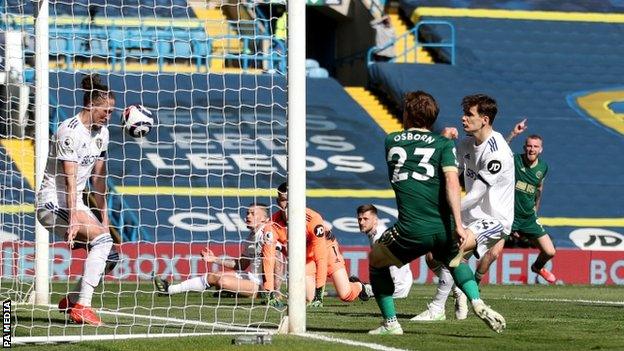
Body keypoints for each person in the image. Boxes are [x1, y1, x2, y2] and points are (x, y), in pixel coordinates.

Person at [368, 91, 506, 335]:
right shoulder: (443, 145)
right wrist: (458, 224)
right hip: (443, 225)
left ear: (408, 114)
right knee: (454, 260)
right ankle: (476, 301)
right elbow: (453, 183)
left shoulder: (392, 140)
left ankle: (390, 323)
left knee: (377, 260)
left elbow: (416, 152)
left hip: (411, 228)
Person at [411, 94, 515, 322]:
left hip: (495, 219)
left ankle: (437, 308)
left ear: (485, 119)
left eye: (469, 114)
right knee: (431, 256)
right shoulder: (466, 144)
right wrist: (443, 143)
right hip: (467, 214)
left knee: (457, 251)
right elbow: (447, 175)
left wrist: (444, 210)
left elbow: (477, 195)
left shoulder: (497, 152)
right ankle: (460, 287)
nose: (463, 118)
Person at [36, 74, 116, 326]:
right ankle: (82, 306)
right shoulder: (68, 131)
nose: (108, 116)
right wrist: (73, 219)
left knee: (110, 255)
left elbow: (98, 181)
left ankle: (72, 299)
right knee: (102, 242)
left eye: (112, 112)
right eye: (105, 111)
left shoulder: (102, 133)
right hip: (53, 203)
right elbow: (70, 180)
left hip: (76, 204)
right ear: (91, 106)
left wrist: (104, 219)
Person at [153, 203, 285, 307]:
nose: (248, 216)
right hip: (252, 277)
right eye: (247, 213)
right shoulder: (250, 237)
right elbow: (241, 265)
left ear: (265, 219)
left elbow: (278, 260)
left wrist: (275, 291)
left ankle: (262, 294)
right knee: (212, 276)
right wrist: (214, 259)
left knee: (222, 281)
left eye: (253, 213)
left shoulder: (268, 233)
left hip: (265, 285)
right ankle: (169, 289)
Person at [272, 182, 372, 307]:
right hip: (306, 258)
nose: (288, 204)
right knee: (308, 299)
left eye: (291, 200)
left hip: (326, 250)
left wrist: (320, 295)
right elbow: (269, 255)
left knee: (346, 295)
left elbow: (321, 257)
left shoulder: (313, 219)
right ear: (277, 201)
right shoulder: (273, 224)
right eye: (283, 200)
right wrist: (269, 291)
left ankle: (360, 286)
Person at [499, 120, 556, 283]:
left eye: (535, 146)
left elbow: (539, 190)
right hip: (508, 216)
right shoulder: (514, 160)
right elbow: (500, 149)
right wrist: (513, 133)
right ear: (525, 147)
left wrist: (535, 211)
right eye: (529, 146)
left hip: (528, 218)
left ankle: (537, 267)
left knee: (550, 251)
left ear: (541, 149)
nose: (532, 149)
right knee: (492, 254)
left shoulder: (543, 168)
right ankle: (473, 285)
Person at [356, 204, 413, 299]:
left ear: (375, 220)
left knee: (357, 292)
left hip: (396, 289)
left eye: (366, 219)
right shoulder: (378, 231)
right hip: (402, 283)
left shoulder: (379, 238)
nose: (361, 222)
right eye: (360, 219)